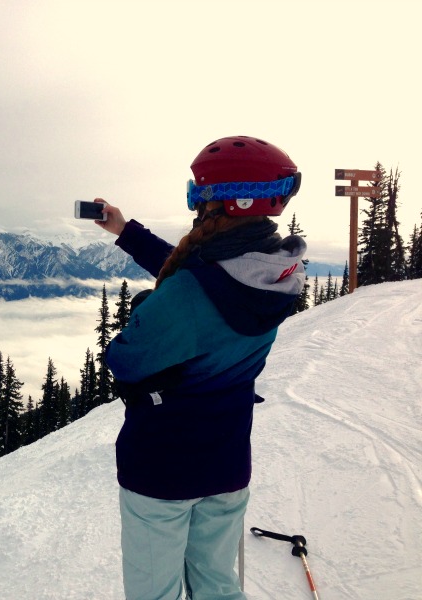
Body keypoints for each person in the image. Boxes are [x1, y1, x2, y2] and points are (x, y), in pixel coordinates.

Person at [95, 135, 307, 600]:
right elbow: (204, 276)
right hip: (227, 461)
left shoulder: (190, 292)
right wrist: (125, 230)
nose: (194, 203)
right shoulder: (275, 269)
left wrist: (150, 306)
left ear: (220, 202)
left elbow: (126, 360)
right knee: (216, 584)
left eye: (197, 194)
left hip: (162, 467)